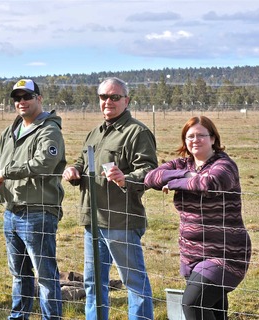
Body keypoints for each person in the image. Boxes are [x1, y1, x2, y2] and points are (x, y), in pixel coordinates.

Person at [62, 77, 157, 320]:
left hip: (121, 221)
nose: (108, 102)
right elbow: (83, 163)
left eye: (115, 97)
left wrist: (126, 178)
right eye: (103, 97)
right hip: (93, 221)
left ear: (127, 100)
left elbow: (149, 170)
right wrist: (73, 171)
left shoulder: (137, 132)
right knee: (94, 283)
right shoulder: (95, 133)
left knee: (133, 283)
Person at [0, 79, 66, 320]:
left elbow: (44, 162)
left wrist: (7, 171)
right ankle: (18, 317)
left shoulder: (49, 130)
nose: (21, 102)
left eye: (27, 96)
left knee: (44, 275)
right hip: (11, 211)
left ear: (39, 99)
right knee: (19, 273)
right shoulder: (12, 130)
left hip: (38, 211)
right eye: (17, 98)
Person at [144, 116, 251, 319]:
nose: (195, 140)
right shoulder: (183, 164)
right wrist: (185, 176)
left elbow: (208, 184)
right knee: (215, 311)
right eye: (190, 136)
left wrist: (175, 182)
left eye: (201, 135)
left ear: (212, 138)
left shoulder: (225, 165)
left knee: (193, 304)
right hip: (191, 255)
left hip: (224, 254)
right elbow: (151, 178)